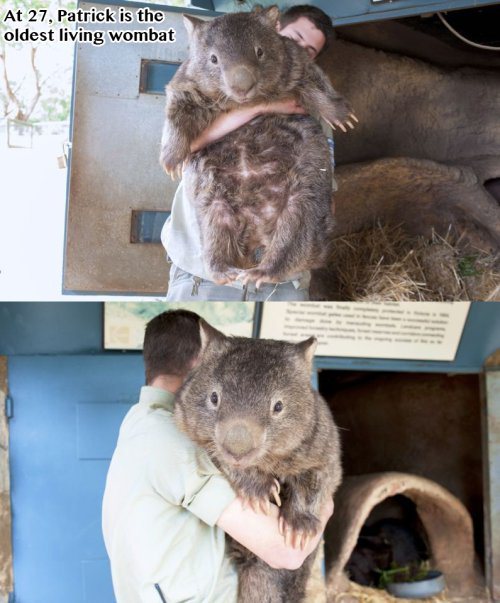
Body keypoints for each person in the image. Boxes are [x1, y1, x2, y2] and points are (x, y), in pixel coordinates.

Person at [102, 309, 333, 602]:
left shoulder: (139, 423)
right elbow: (285, 550)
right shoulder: (171, 439)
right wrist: (325, 507)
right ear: (203, 364)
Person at [162, 5, 347, 303]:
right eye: (295, 37)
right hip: (202, 275)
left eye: (309, 50)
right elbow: (186, 144)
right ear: (273, 30)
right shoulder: (202, 74)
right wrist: (263, 107)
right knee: (217, 210)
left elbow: (322, 181)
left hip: (280, 279)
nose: (298, 49)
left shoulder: (308, 96)